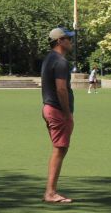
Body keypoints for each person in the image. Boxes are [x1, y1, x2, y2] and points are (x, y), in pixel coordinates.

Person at [41, 27, 76, 204]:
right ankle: (50, 192)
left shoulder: (49, 58)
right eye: (68, 39)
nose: (71, 42)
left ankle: (51, 191)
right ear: (59, 41)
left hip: (49, 108)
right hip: (57, 110)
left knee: (59, 148)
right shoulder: (60, 61)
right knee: (60, 149)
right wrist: (67, 113)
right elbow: (61, 89)